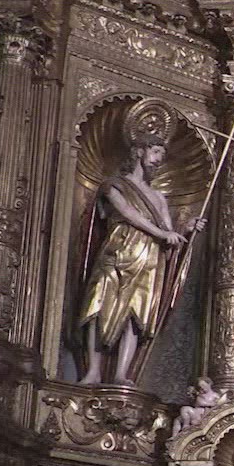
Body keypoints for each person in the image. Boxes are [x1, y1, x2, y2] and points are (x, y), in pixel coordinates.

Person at [75, 119, 205, 385]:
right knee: (97, 303)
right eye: (155, 152)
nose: (158, 160)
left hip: (148, 257)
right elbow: (127, 213)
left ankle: (121, 373)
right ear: (138, 151)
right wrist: (162, 234)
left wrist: (186, 228)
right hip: (117, 249)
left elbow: (169, 230)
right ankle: (93, 371)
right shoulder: (114, 185)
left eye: (161, 156)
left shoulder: (159, 197)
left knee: (136, 313)